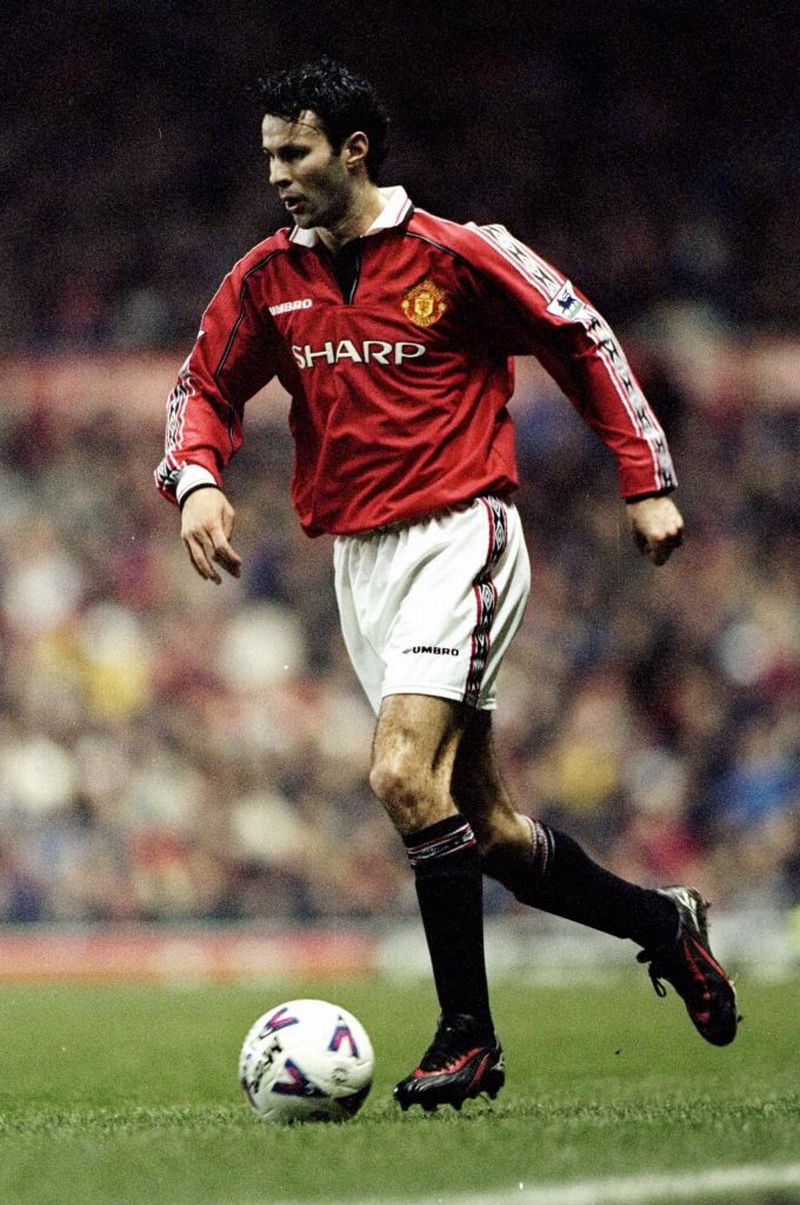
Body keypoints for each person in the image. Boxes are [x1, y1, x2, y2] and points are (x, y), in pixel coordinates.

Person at [155, 57, 739, 1112]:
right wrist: (197, 477)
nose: (276, 174)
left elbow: (578, 334)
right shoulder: (266, 279)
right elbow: (203, 384)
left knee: (397, 774)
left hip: (459, 535)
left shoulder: (458, 254)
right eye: (268, 155)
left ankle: (467, 1035)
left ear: (352, 150)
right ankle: (662, 923)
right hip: (359, 562)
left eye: (294, 153)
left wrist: (645, 478)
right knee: (490, 826)